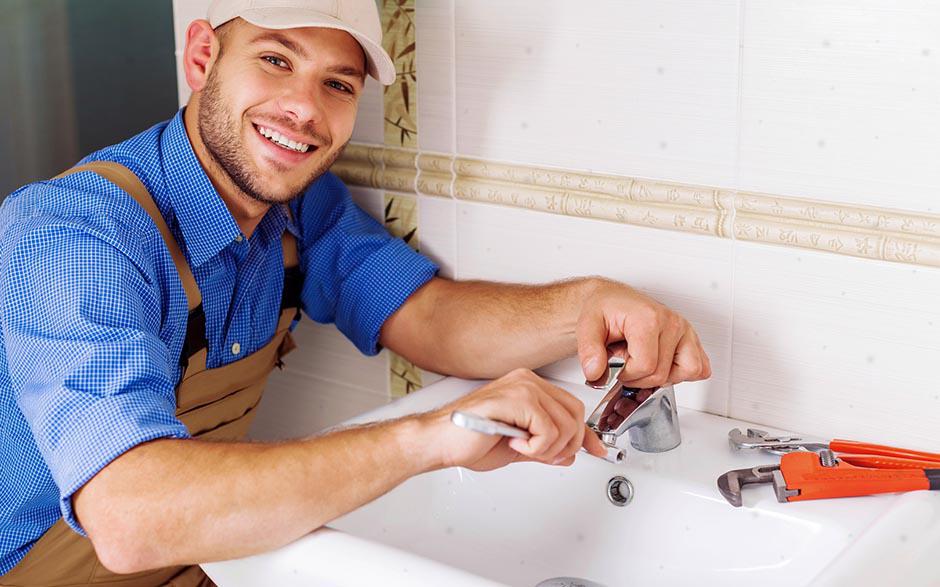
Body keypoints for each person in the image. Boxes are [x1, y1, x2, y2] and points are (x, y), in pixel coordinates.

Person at [0, 0, 711, 585]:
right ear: (200, 58)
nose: (305, 109)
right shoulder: (75, 235)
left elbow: (430, 316)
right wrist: (431, 436)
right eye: (276, 60)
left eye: (338, 83)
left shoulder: (296, 209)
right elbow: (128, 517)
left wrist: (588, 305)